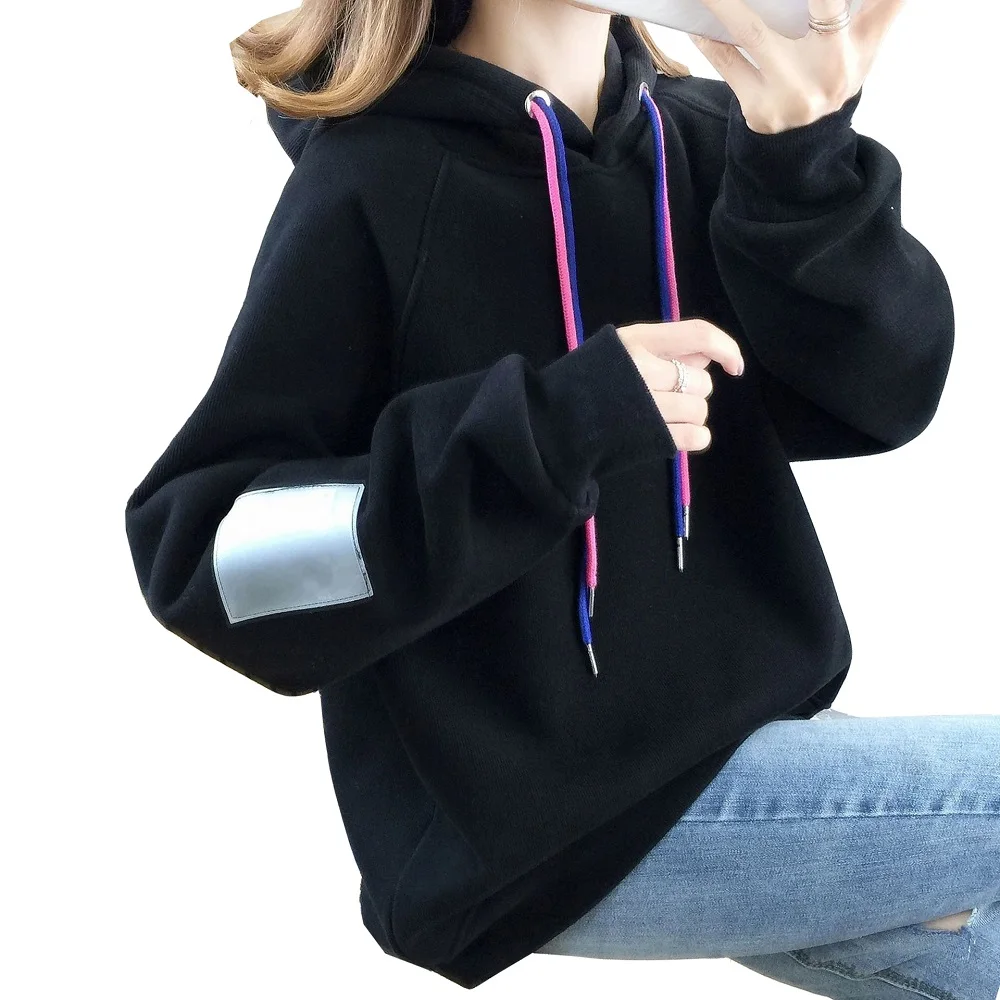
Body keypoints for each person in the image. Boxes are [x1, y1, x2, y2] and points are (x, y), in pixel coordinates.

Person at [123, 0, 997, 995]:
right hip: (535, 835)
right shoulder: (376, 180)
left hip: (752, 748)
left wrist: (800, 160)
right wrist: (554, 427)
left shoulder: (701, 138)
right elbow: (214, 560)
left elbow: (883, 397)